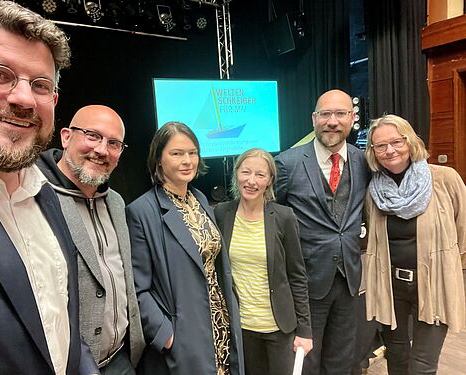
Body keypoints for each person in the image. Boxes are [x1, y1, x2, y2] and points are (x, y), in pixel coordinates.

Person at [0, 0, 98, 373]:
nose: (24, 98)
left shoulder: (46, 197)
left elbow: (62, 329)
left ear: (54, 101)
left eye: (40, 84)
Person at [126, 121, 244, 375]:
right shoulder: (141, 212)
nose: (187, 160)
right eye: (176, 153)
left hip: (220, 323)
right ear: (158, 160)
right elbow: (137, 288)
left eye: (192, 152)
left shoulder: (200, 199)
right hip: (185, 336)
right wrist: (166, 335)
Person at [37, 105, 146, 374]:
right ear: (65, 137)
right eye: (92, 136)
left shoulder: (117, 203)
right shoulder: (36, 198)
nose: (101, 150)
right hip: (72, 365)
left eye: (113, 143)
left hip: (123, 359)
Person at [275, 89, 370, 374]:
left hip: (349, 280)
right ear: (314, 118)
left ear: (352, 118)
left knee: (342, 359)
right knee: (305, 361)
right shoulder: (287, 163)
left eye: (340, 114)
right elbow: (271, 220)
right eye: (325, 114)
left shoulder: (364, 161)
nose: (332, 121)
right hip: (305, 283)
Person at [364, 114, 466, 375]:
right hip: (391, 288)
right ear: (373, 152)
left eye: (396, 142)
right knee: (396, 359)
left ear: (410, 142)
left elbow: (464, 230)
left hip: (433, 285)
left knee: (422, 365)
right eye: (380, 146)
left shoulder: (444, 179)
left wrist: (454, 273)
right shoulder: (373, 191)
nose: (389, 150)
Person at [214, 148, 312, 375]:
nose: (251, 181)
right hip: (241, 328)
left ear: (269, 181)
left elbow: (297, 276)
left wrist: (305, 330)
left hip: (279, 328)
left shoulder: (283, 217)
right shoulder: (221, 213)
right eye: (246, 172)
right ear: (236, 174)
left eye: (260, 175)